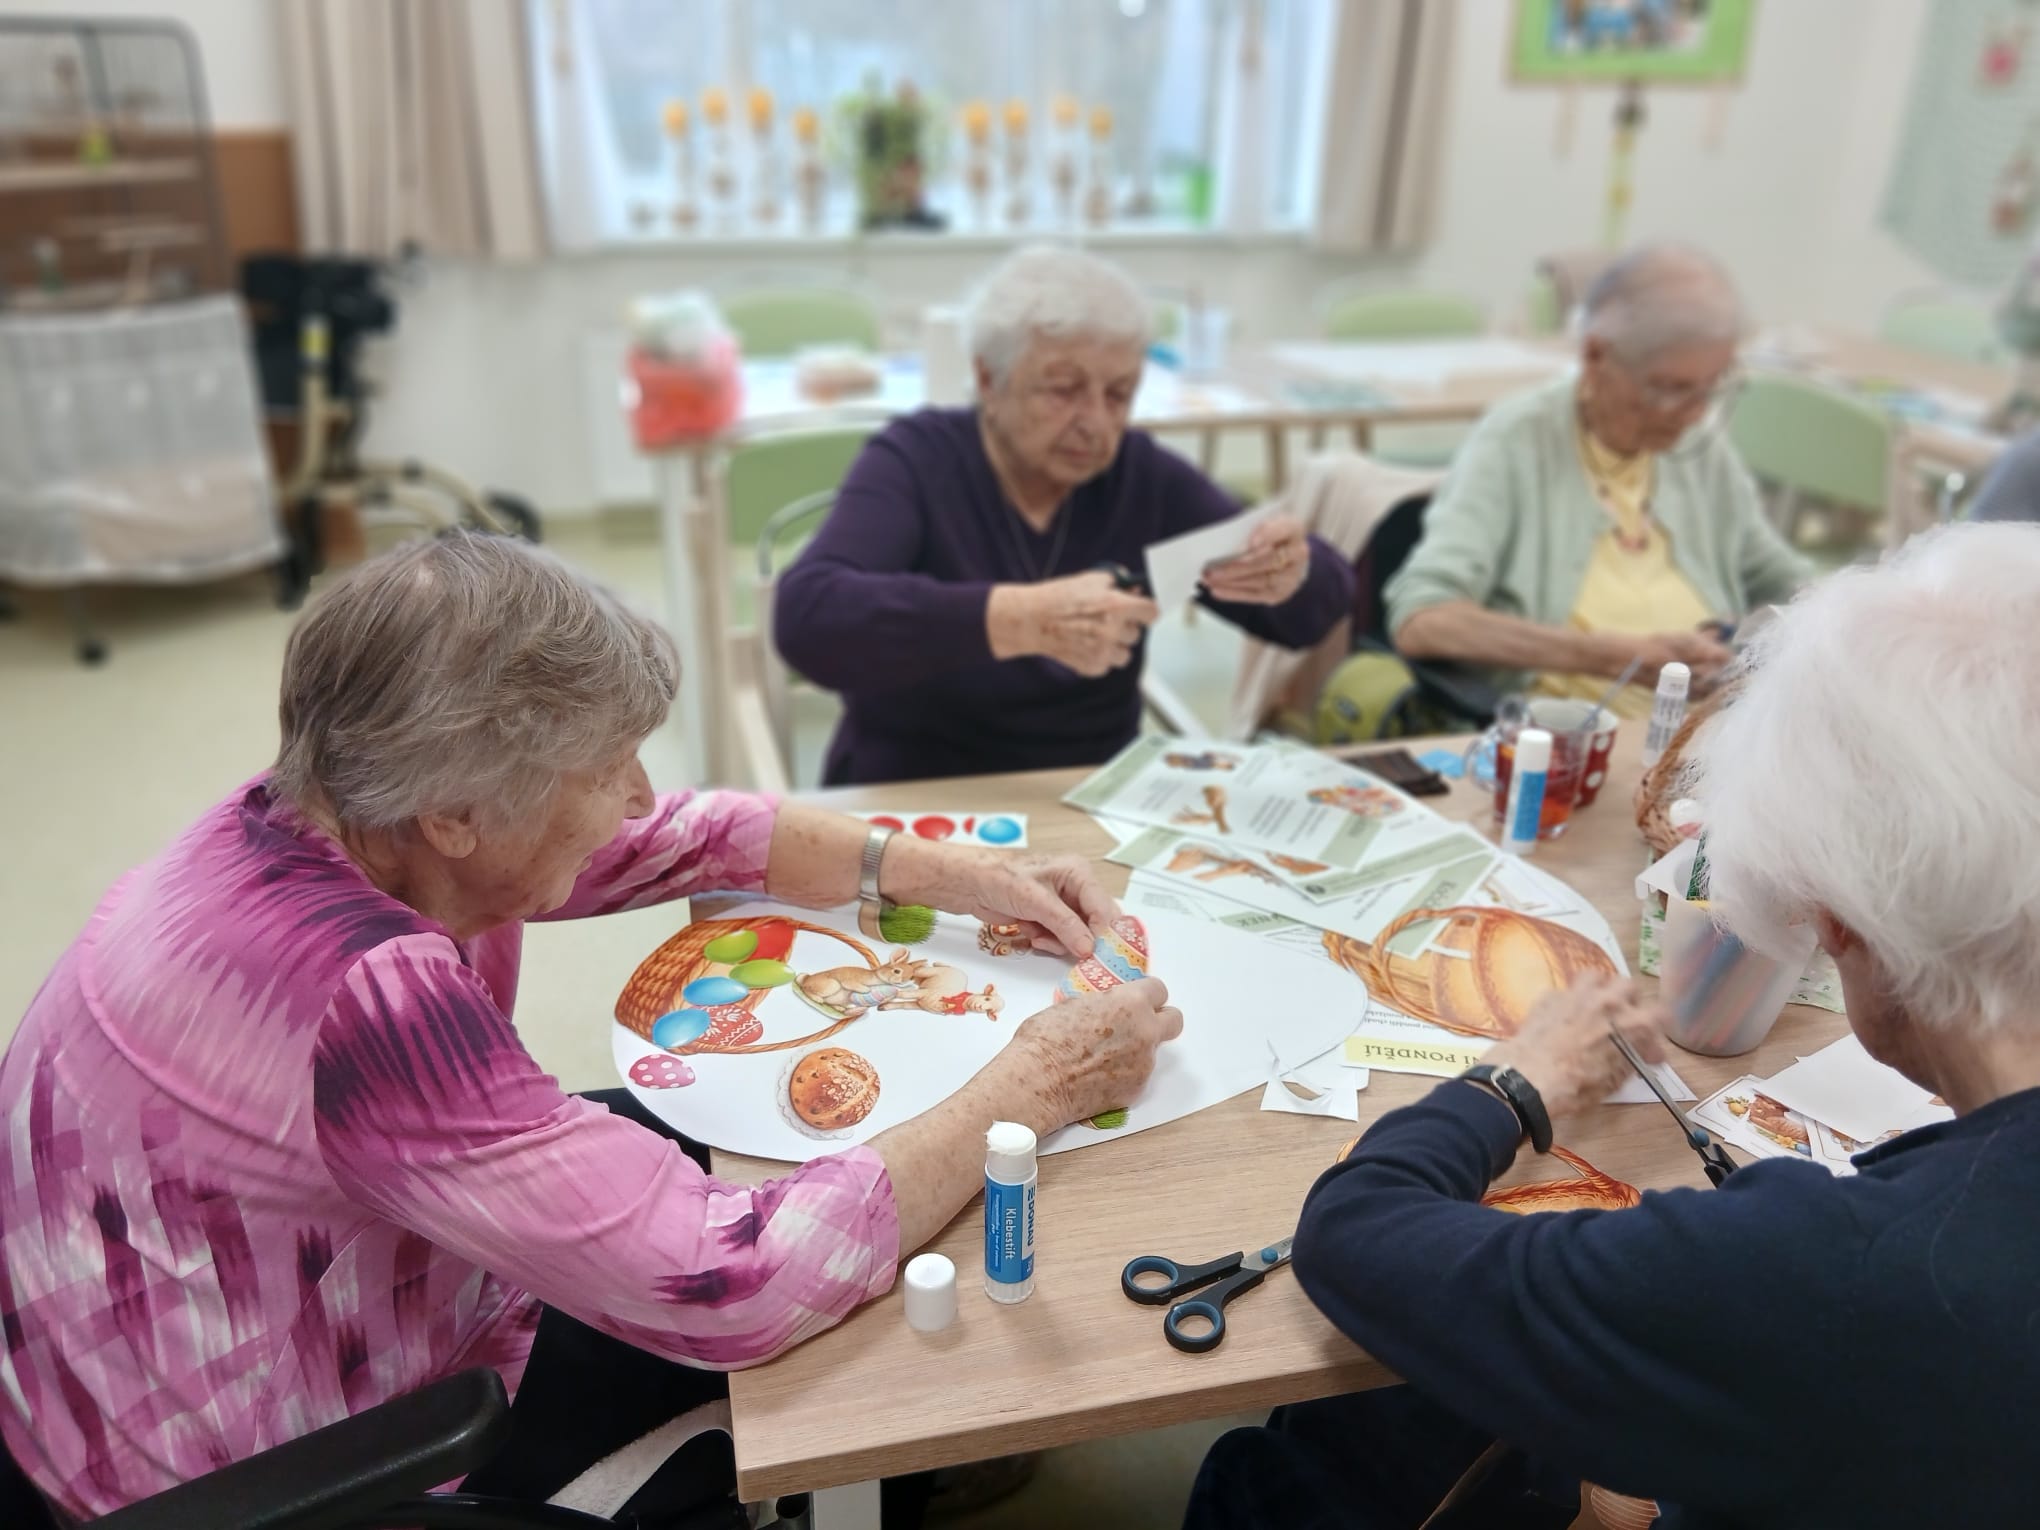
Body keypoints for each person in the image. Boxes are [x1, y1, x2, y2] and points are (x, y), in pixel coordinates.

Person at [0, 532, 1183, 1526]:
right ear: (458, 812)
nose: (637, 793)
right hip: (249, 1453)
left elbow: (678, 836)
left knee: (768, 1155)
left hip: (185, 1322)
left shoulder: (341, 810)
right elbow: (734, 1286)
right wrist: (1035, 1084)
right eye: (606, 765)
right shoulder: (370, 995)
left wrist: (949, 871)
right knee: (820, 1347)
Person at [1186, 521, 2040, 1530]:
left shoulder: (1830, 1271)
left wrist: (1510, 1085)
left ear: (1836, 916)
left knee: (1287, 1468)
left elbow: (1353, 1237)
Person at [774, 244, 1353, 784]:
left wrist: (1292, 570)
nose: (1095, 423)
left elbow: (1312, 613)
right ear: (988, 380)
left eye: (1118, 394)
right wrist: (1020, 619)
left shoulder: (1139, 476)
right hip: (916, 792)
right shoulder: (918, 459)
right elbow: (808, 617)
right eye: (1062, 389)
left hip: (1086, 794)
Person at [1387, 243, 1809, 716]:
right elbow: (1423, 619)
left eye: (1709, 390)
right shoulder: (1518, 440)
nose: (1694, 415)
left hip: (1711, 724)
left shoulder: (1698, 448)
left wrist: (1756, 630)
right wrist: (1612, 656)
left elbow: (1783, 578)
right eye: (1671, 390)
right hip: (1576, 730)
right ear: (1595, 355)